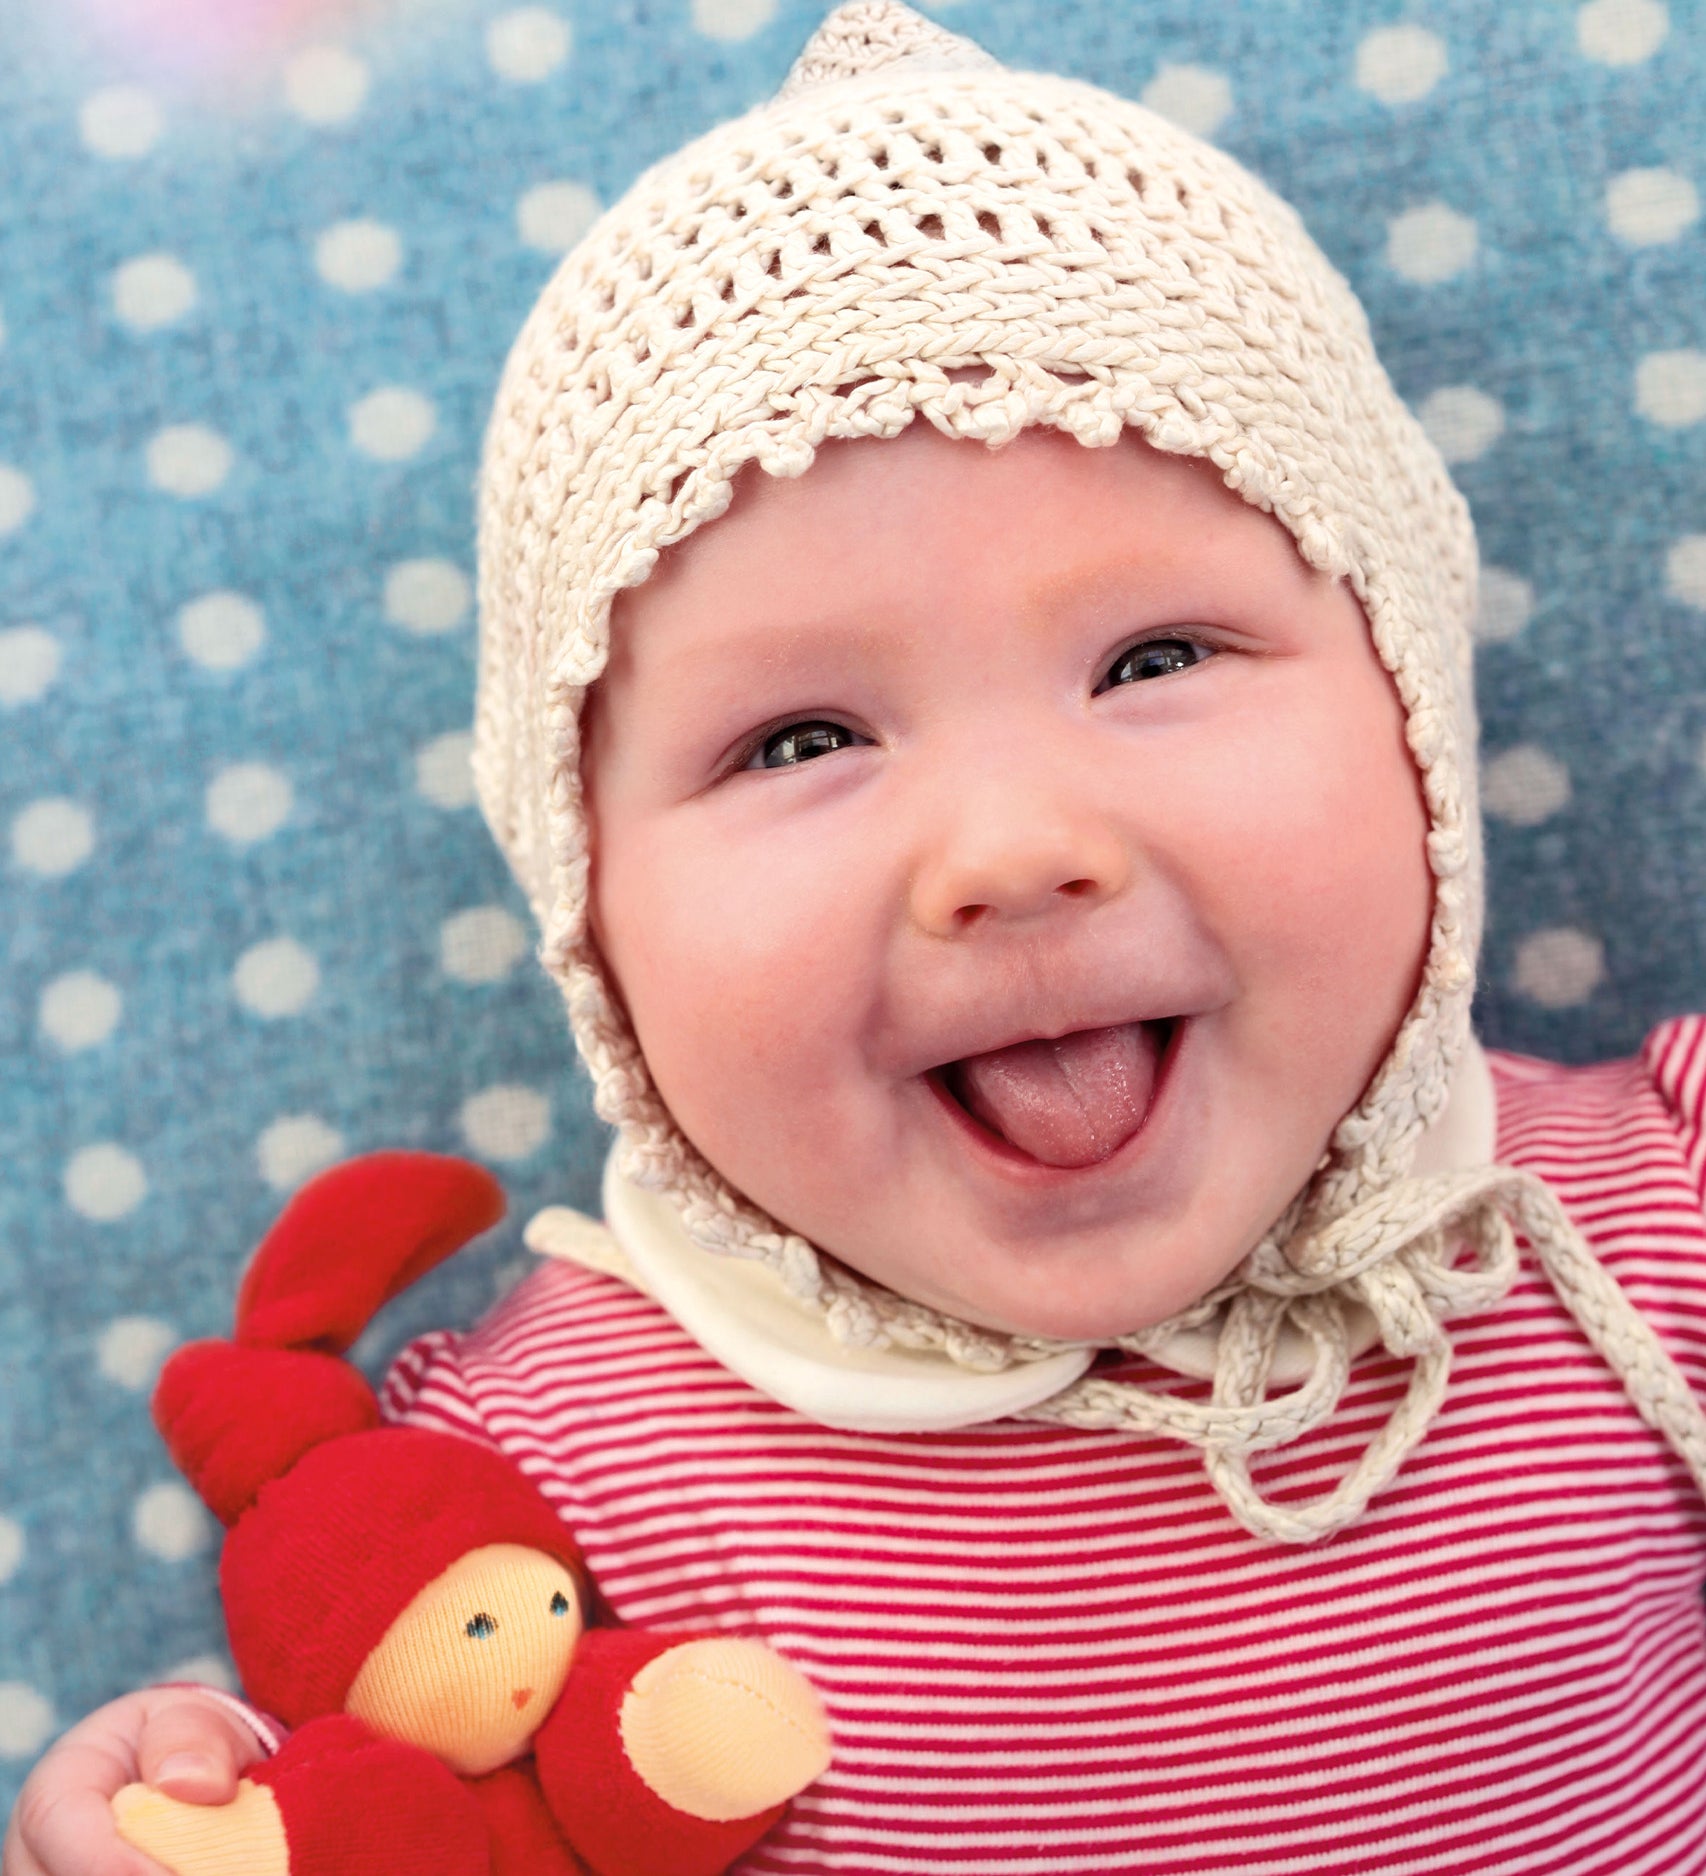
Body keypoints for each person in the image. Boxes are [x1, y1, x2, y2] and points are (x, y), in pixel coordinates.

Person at [9, 4, 1706, 1872]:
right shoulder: (531, 1485)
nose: (1009, 850)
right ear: (587, 921)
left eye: (1152, 659)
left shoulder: (1636, 1234)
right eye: (798, 740)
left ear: (1416, 727)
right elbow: (394, 1812)